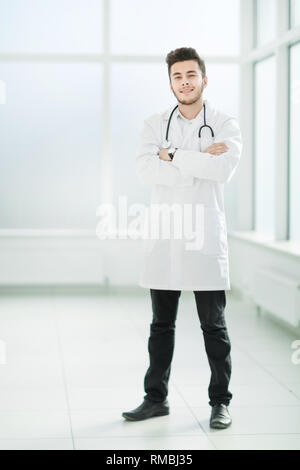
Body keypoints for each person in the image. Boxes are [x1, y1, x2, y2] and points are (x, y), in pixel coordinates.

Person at [122, 47, 242, 429]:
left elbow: (221, 169)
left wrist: (171, 155)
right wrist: (195, 159)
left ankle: (220, 402)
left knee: (214, 327)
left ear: (204, 79)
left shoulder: (225, 124)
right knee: (161, 325)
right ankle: (155, 398)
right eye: (177, 76)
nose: (184, 82)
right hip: (166, 236)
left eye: (191, 75)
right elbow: (144, 170)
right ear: (170, 81)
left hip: (203, 237)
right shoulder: (154, 123)